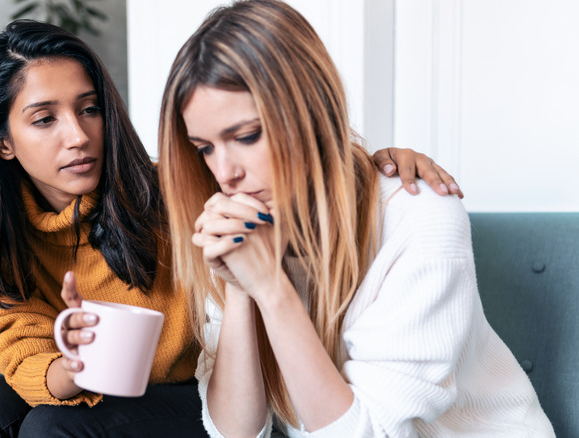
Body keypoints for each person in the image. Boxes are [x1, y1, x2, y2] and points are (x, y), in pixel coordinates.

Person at [0, 18, 460, 438]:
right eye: (44, 119)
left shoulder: (181, 193)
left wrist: (373, 164)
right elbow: (24, 353)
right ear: (1, 140)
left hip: (193, 387)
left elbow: (298, 169)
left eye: (90, 108)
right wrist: (75, 365)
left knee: (54, 426)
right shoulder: (2, 241)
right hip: (114, 385)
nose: (78, 135)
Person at [158, 1, 554, 437]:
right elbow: (234, 432)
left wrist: (272, 288)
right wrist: (241, 288)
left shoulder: (419, 217)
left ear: (312, 112)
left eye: (248, 135)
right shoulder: (243, 224)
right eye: (205, 148)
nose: (224, 172)